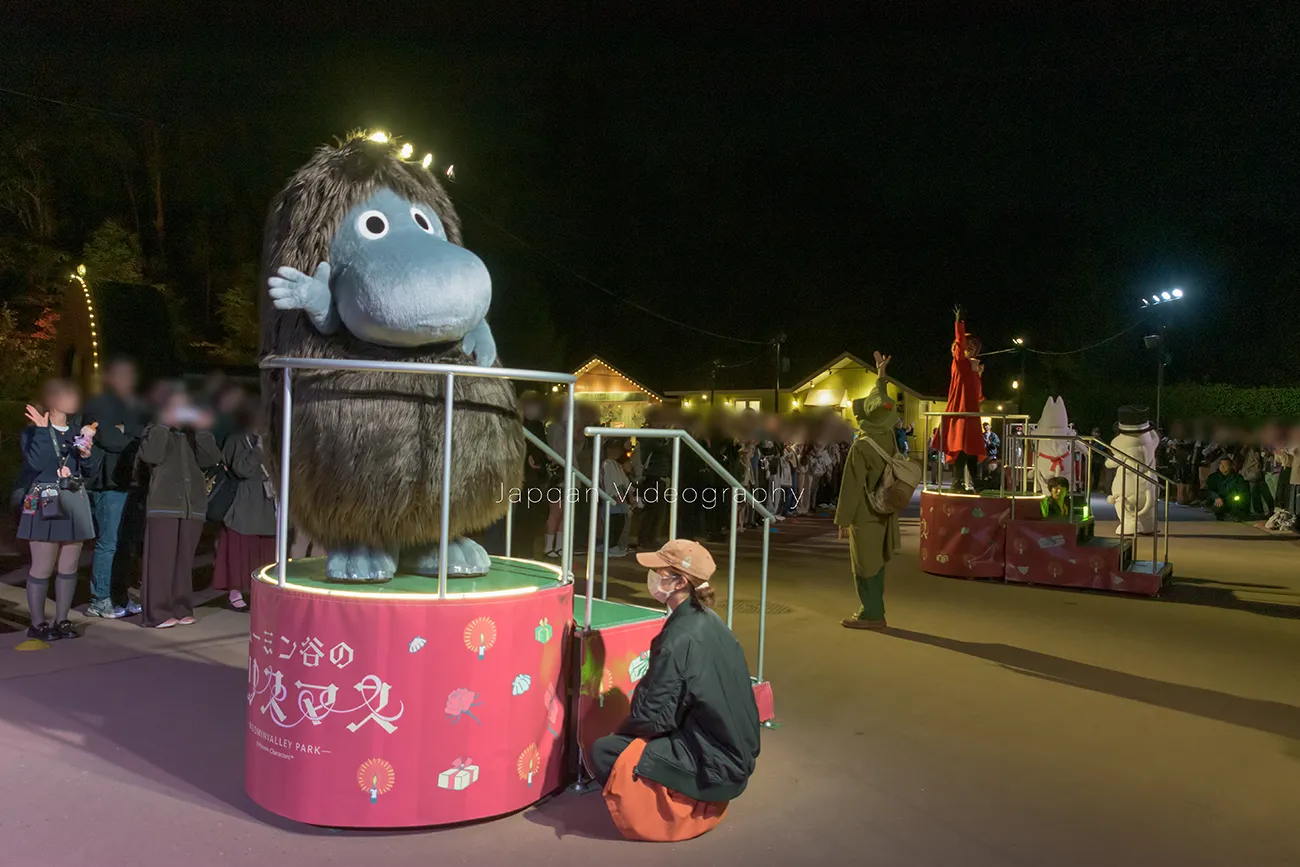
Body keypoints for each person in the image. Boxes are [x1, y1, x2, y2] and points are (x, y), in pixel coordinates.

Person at [588, 539, 760, 842]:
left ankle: (677, 812)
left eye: (659, 570)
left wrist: (625, 733)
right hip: (734, 751)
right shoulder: (709, 621)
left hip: (716, 761)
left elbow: (653, 716)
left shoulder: (679, 637)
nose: (652, 576)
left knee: (606, 750)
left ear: (680, 581)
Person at [16, 381, 101, 641]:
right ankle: (38, 623)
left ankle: (62, 619)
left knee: (69, 565)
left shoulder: (78, 431)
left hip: (73, 497)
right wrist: (42, 431)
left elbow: (91, 472)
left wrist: (87, 455)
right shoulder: (33, 431)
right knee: (42, 566)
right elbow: (35, 464)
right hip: (45, 497)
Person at [137, 386, 222, 628]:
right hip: (164, 505)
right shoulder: (155, 430)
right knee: (160, 562)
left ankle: (181, 606)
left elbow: (211, 459)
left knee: (184, 562)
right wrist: (164, 424)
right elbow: (151, 456)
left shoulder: (193, 435)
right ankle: (157, 613)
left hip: (192, 506)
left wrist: (202, 428)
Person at [836, 351, 902, 630]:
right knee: (878, 563)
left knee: (863, 566)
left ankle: (872, 614)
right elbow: (882, 404)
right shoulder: (887, 436)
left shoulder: (861, 446)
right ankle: (874, 609)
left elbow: (850, 485)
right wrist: (881, 376)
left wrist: (843, 520)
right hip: (885, 509)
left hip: (865, 514)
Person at [81, 357, 146, 619]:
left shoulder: (128, 406)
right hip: (109, 482)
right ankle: (100, 599)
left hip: (130, 481)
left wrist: (126, 429)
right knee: (108, 542)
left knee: (126, 543)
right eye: (122, 375)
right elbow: (110, 440)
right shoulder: (99, 403)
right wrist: (127, 433)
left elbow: (144, 434)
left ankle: (120, 595)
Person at [211, 397, 275, 612]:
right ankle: (235, 593)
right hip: (244, 502)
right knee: (240, 547)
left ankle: (262, 591)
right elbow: (241, 470)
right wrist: (258, 450)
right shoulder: (237, 439)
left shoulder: (273, 439)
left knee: (265, 548)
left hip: (266, 500)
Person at [933, 306, 985, 491]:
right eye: (966, 346)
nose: (969, 348)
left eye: (973, 347)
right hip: (960, 412)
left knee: (970, 448)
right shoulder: (959, 362)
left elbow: (978, 396)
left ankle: (975, 482)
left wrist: (977, 374)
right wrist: (959, 324)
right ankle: (957, 482)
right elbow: (959, 342)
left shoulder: (971, 369)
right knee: (960, 446)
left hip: (970, 413)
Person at [598, 440, 631, 558]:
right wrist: (615, 495)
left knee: (618, 523)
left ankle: (611, 545)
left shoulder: (613, 464)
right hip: (613, 498)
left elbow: (622, 481)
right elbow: (610, 482)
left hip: (617, 497)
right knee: (614, 524)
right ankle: (611, 547)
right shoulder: (607, 464)